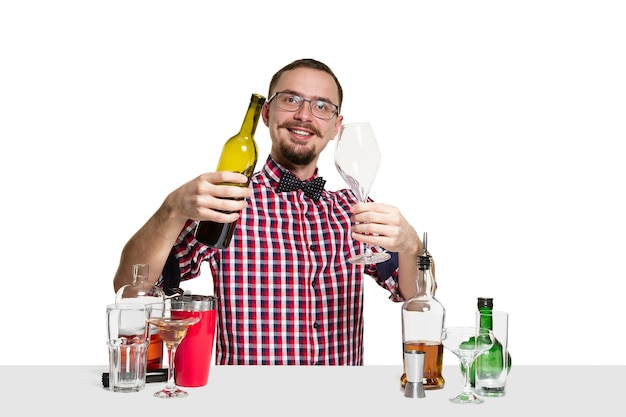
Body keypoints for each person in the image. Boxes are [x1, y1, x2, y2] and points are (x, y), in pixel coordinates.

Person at [113, 58, 423, 365]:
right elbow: (130, 287)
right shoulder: (228, 198)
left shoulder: (354, 209)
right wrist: (171, 209)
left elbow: (417, 295)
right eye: (291, 100)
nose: (304, 115)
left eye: (322, 106)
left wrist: (412, 245)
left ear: (336, 128)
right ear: (266, 112)